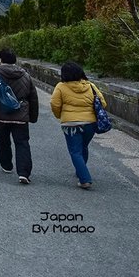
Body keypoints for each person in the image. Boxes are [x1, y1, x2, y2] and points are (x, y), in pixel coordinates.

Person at [0, 48, 39, 184]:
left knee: (3, 141)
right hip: (21, 116)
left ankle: (6, 165)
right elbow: (33, 98)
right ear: (15, 60)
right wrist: (33, 117)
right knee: (22, 143)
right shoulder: (25, 75)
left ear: (0, 59)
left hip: (1, 115)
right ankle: (24, 173)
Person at [50, 61, 107, 189]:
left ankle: (85, 179)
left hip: (70, 124)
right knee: (83, 147)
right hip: (90, 124)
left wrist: (60, 115)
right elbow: (102, 103)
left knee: (75, 151)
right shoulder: (90, 86)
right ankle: (80, 170)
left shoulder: (61, 87)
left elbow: (55, 104)